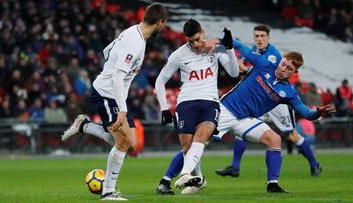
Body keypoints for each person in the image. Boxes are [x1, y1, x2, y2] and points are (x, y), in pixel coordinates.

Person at [61, 3, 168, 201]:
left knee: (132, 144)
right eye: (164, 24)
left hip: (116, 94)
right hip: (108, 94)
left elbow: (106, 50)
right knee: (123, 142)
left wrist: (110, 67)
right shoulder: (135, 42)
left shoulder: (132, 33)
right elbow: (118, 76)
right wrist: (123, 110)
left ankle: (85, 125)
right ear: (161, 22)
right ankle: (108, 192)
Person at [204, 33, 335, 192]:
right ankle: (171, 178)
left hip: (247, 117)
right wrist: (217, 40)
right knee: (197, 140)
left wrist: (318, 113)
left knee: (276, 139)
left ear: (294, 72)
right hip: (227, 109)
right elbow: (237, 45)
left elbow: (307, 113)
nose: (283, 69)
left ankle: (273, 184)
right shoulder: (264, 63)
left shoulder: (289, 92)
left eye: (289, 68)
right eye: (283, 64)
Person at [155, 19, 239, 195]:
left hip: (210, 102)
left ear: (203, 32)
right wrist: (164, 107)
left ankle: (185, 173)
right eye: (190, 40)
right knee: (187, 148)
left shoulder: (214, 49)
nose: (195, 44)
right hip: (186, 103)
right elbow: (160, 80)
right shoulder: (178, 55)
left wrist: (230, 49)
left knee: (200, 138)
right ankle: (199, 179)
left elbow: (234, 73)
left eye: (197, 38)